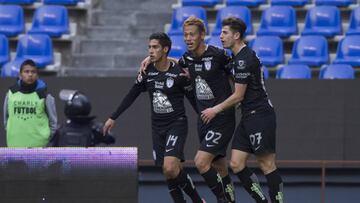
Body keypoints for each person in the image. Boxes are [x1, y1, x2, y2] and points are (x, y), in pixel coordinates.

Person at [141, 16, 236, 203]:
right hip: (204, 120)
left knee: (201, 162)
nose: (188, 39)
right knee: (220, 166)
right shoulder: (187, 58)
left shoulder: (218, 55)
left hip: (222, 117)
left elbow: (237, 78)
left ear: (202, 35)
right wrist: (150, 58)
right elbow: (172, 63)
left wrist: (236, 99)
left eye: (192, 35)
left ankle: (223, 200)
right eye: (185, 35)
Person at [103, 32, 204, 203]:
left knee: (169, 167)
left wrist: (205, 118)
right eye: (149, 47)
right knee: (169, 171)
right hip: (157, 127)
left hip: (176, 124)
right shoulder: (146, 71)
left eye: (155, 47)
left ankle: (197, 200)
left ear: (165, 49)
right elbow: (132, 94)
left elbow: (193, 100)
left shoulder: (179, 73)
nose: (150, 51)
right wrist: (113, 117)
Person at [201, 17, 284, 203]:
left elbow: (238, 95)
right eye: (221, 32)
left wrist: (215, 109)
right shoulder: (237, 58)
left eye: (225, 33)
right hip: (248, 117)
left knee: (267, 164)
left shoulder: (244, 59)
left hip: (260, 115)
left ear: (236, 35)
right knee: (236, 164)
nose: (221, 36)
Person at [3, 59, 57, 147]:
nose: (30, 74)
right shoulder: (11, 93)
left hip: (39, 147)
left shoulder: (44, 95)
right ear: (20, 75)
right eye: (26, 71)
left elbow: (53, 123)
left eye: (33, 72)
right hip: (14, 146)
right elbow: (6, 120)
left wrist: (45, 138)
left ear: (37, 75)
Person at [51, 90, 115, 147]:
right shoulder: (95, 129)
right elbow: (110, 138)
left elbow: (111, 139)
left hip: (85, 160)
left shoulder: (58, 130)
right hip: (68, 160)